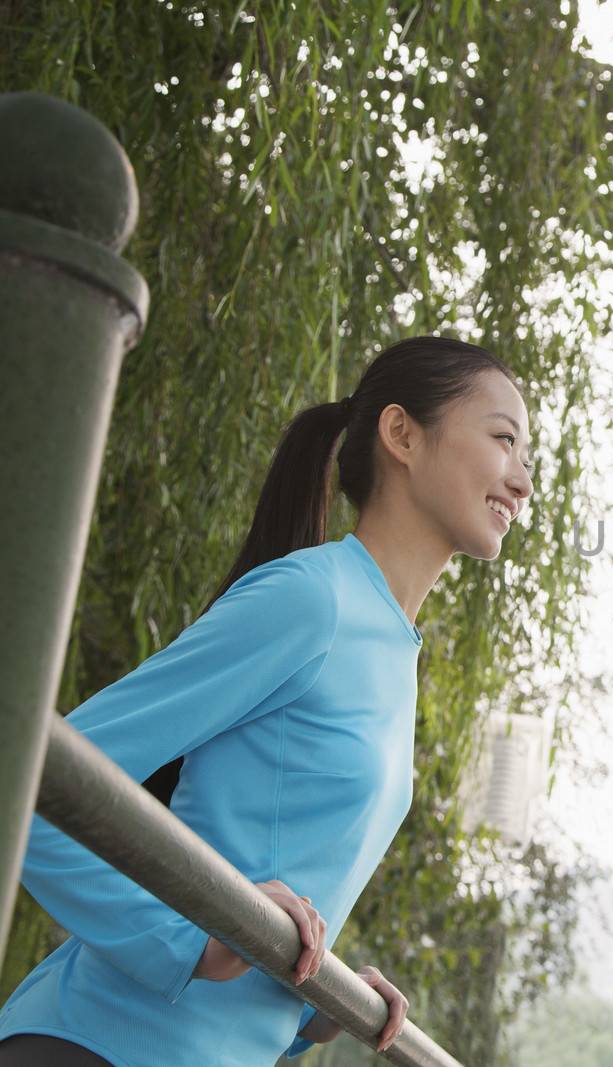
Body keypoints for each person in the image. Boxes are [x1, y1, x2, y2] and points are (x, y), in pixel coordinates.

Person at [0, 336, 534, 1066]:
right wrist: (188, 940)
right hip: (96, 1044)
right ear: (402, 434)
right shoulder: (312, 600)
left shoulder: (393, 650)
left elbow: (269, 875)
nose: (522, 480)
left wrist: (321, 996)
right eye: (504, 438)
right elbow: (32, 777)